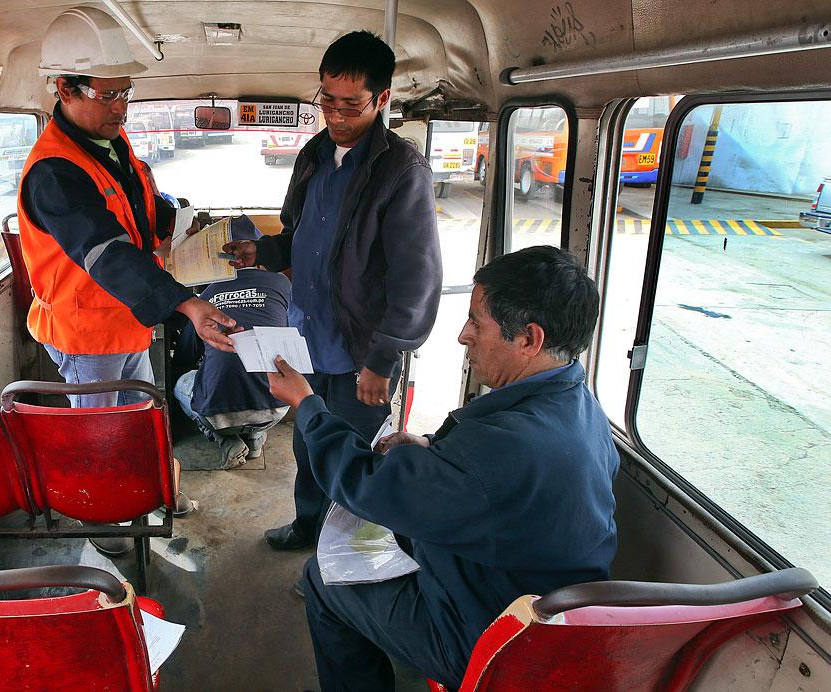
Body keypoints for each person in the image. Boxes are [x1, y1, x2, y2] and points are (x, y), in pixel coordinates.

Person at [265, 246, 619, 689]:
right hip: (548, 614)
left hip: (492, 639)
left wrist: (307, 405)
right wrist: (432, 445)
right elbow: (494, 478)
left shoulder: (501, 449)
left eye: (477, 321)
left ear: (529, 339)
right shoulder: (579, 405)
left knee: (323, 580)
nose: (463, 335)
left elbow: (366, 486)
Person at [19, 7, 231, 549]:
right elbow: (106, 252)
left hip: (126, 321)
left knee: (137, 420)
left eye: (126, 93)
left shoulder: (109, 145)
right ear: (66, 89)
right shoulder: (54, 172)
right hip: (88, 333)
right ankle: (105, 526)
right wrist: (184, 303)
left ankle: (150, 493)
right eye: (109, 96)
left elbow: (135, 208)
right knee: (99, 439)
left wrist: (173, 218)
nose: (123, 109)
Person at [223, 30, 443, 551]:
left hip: (362, 348)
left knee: (353, 459)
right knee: (309, 443)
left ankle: (340, 560)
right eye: (328, 101)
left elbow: (417, 279)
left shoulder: (400, 170)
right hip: (308, 337)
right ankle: (306, 529)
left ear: (382, 99)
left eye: (351, 105)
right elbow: (301, 233)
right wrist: (268, 254)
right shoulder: (315, 155)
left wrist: (382, 359)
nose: (337, 117)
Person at [172, 217, 292, 469]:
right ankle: (256, 436)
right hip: (279, 405)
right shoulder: (283, 283)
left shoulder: (206, 296)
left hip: (218, 415)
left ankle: (226, 441)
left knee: (181, 384)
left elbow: (184, 355)